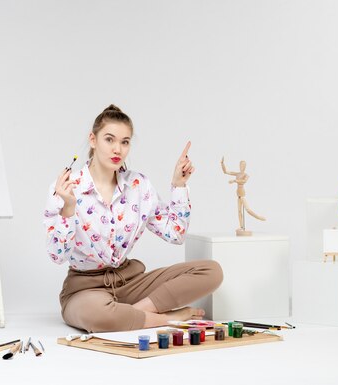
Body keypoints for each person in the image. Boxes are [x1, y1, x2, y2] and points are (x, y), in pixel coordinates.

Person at [43, 105, 223, 333]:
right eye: (109, 139)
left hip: (130, 283)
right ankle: (168, 318)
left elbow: (175, 234)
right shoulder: (67, 188)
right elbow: (57, 256)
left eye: (125, 142)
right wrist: (68, 208)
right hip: (84, 290)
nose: (117, 149)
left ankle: (134, 314)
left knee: (211, 271)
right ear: (93, 140)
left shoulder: (138, 185)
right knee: (98, 316)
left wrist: (179, 185)